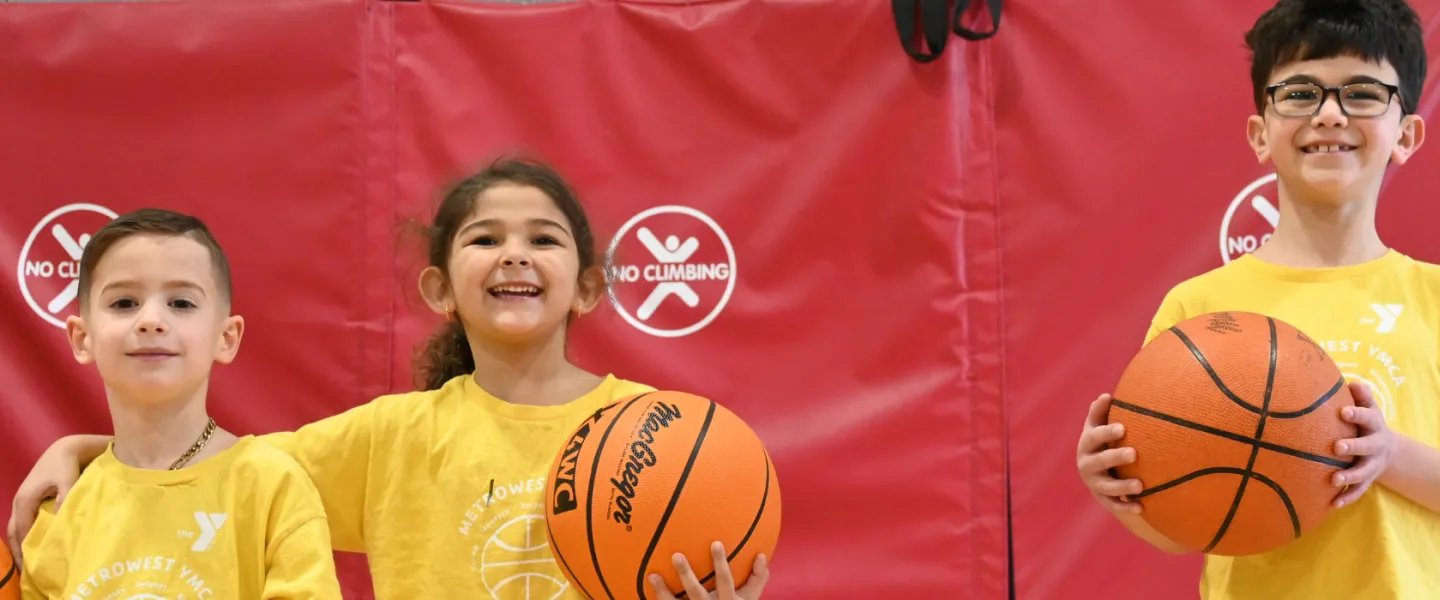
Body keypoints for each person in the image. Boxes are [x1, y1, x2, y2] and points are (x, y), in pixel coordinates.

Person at [9, 157, 772, 600]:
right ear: (439, 289)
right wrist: (86, 446)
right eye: (485, 238)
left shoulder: (656, 429)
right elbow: (213, 465)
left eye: (543, 238)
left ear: (589, 286)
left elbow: (714, 547)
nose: (513, 254)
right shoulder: (390, 436)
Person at [1075, 0, 1440, 598]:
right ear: (1259, 133)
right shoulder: (1200, 308)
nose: (1329, 114)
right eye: (1299, 93)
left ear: (1406, 134)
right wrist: (1119, 490)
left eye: (1363, 93)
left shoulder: (1433, 297)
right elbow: (1180, 530)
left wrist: (1387, 454)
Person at [19, 209, 341, 599]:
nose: (151, 320)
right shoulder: (62, 506)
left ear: (226, 337)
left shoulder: (272, 486)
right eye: (123, 303)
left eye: (182, 303)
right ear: (81, 338)